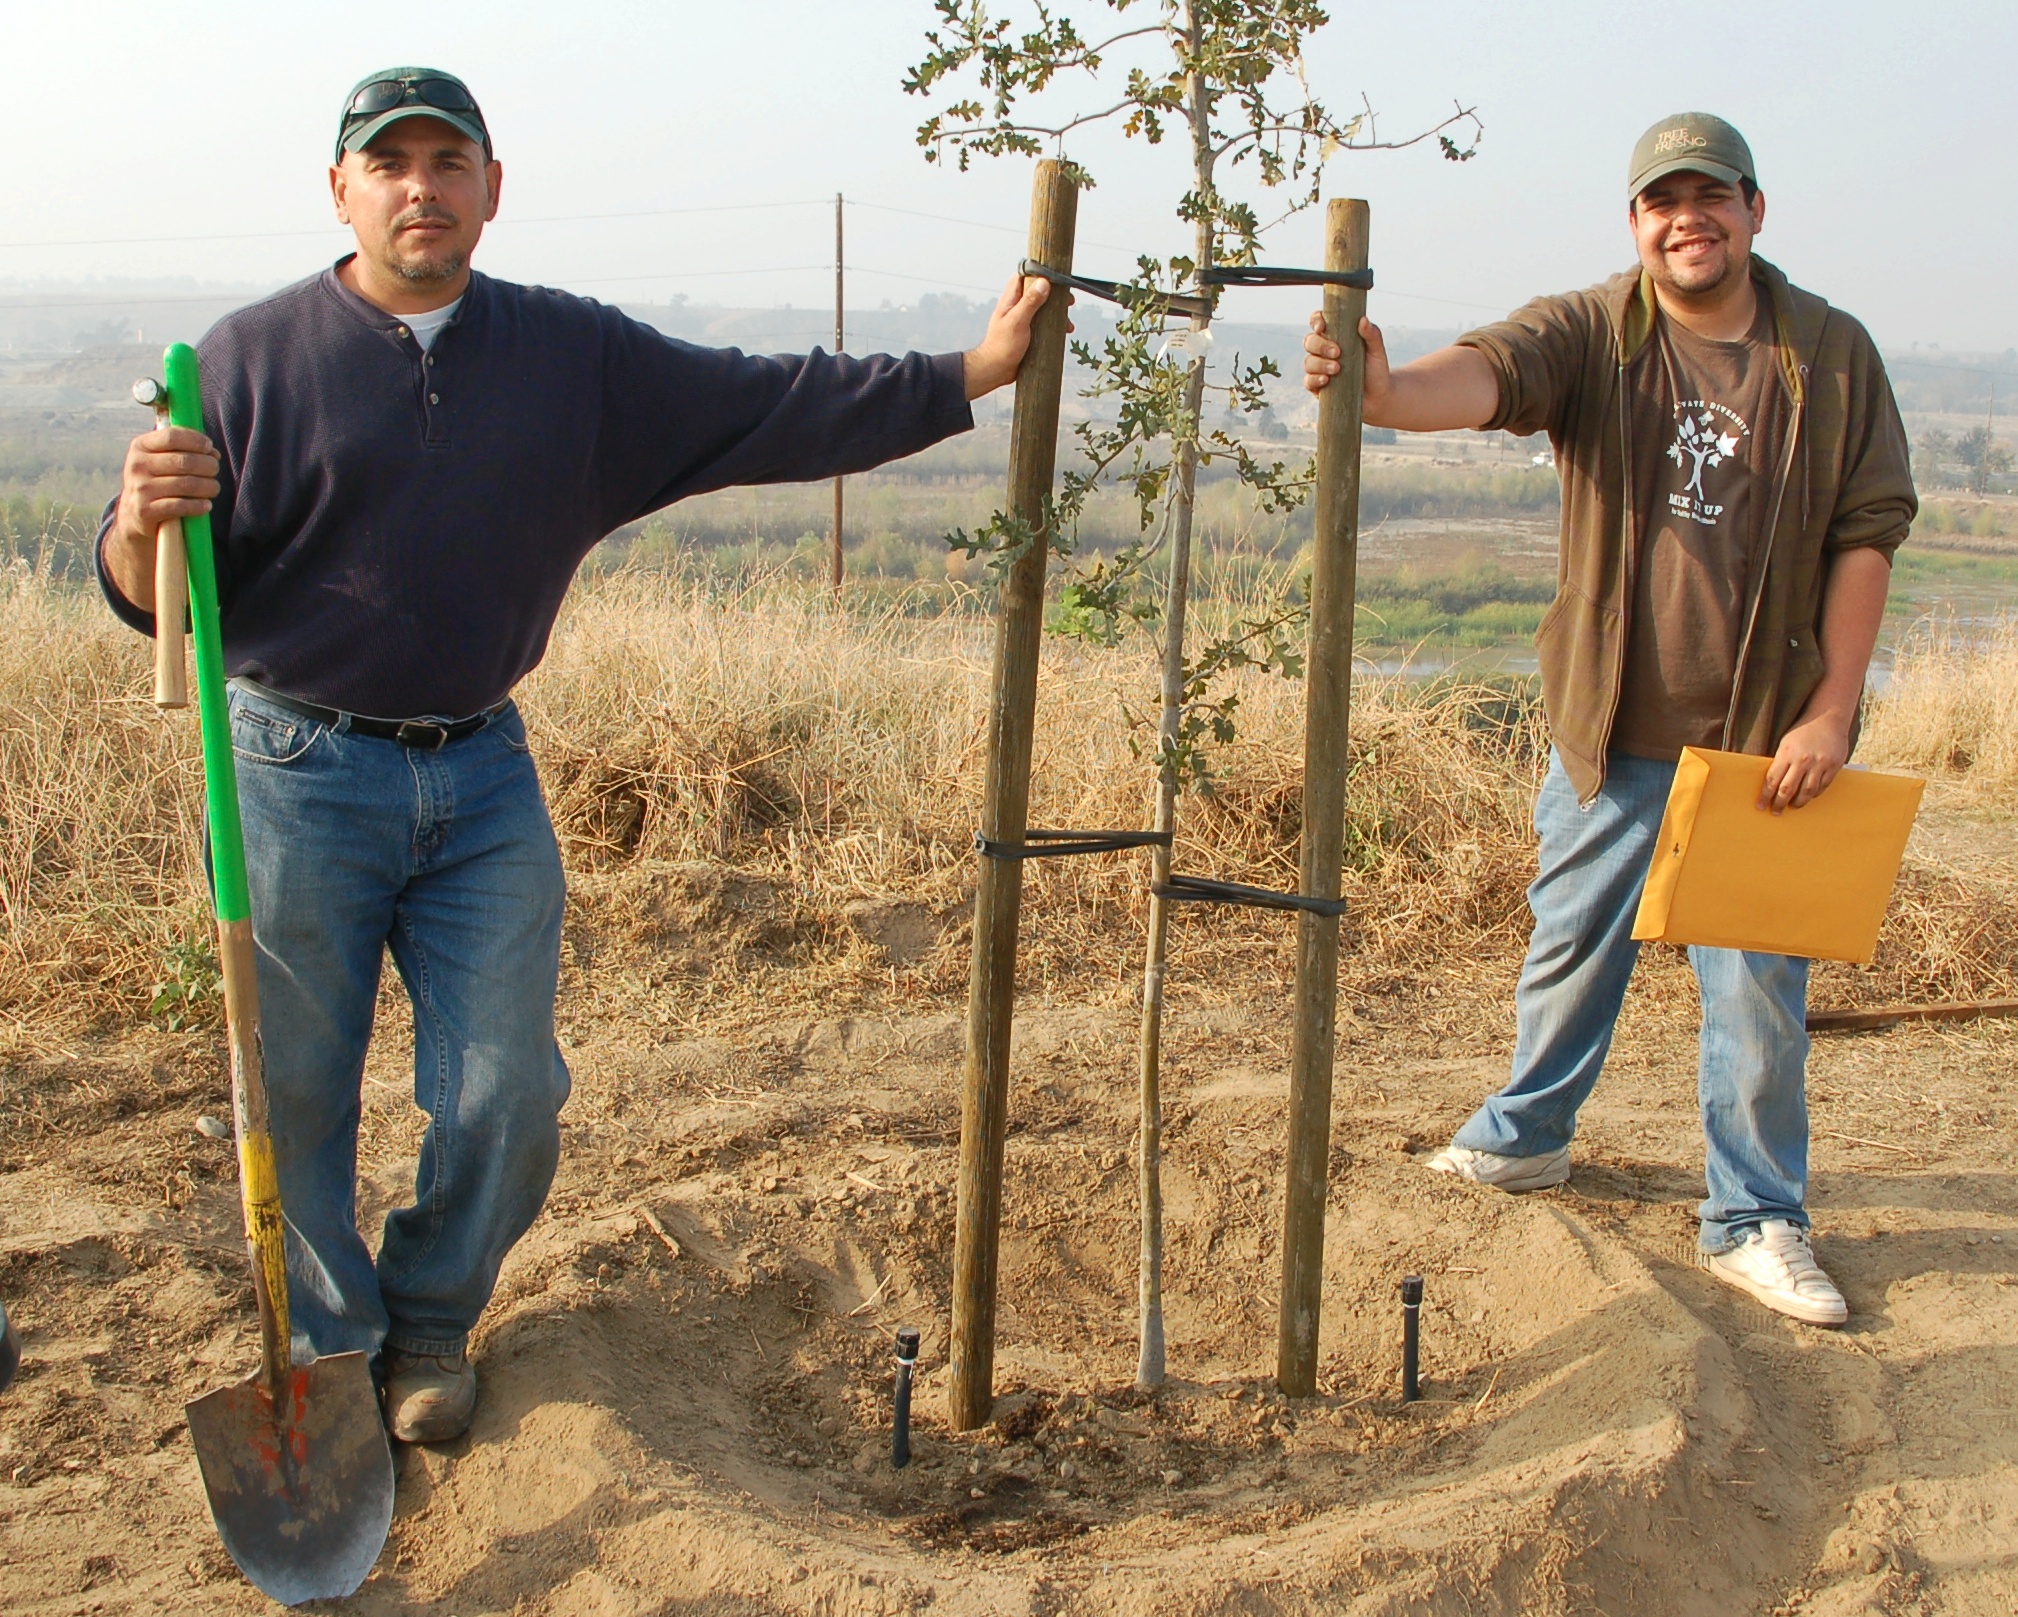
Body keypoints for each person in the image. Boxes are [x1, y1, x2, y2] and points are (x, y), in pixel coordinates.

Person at [99, 67, 1051, 1441]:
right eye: (389, 164)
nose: (419, 188)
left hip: (480, 770)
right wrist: (141, 520)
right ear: (340, 190)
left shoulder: (571, 358)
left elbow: (764, 401)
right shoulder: (249, 361)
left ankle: (430, 1321)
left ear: (491, 188)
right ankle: (330, 1351)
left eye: (447, 162)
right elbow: (157, 603)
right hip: (295, 772)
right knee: (294, 1090)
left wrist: (965, 374)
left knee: (509, 1090)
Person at [1302, 112, 1914, 1327]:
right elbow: (1490, 373)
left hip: (1760, 744)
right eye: (1660, 202)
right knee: (1569, 948)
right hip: (1609, 726)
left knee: (1755, 995)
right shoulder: (1594, 330)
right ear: (1635, 223)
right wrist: (1385, 390)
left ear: (1751, 210)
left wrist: (1829, 713)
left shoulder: (1828, 353)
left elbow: (1864, 535)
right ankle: (1525, 1137)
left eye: (1709, 197)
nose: (1686, 220)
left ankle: (1754, 1217)